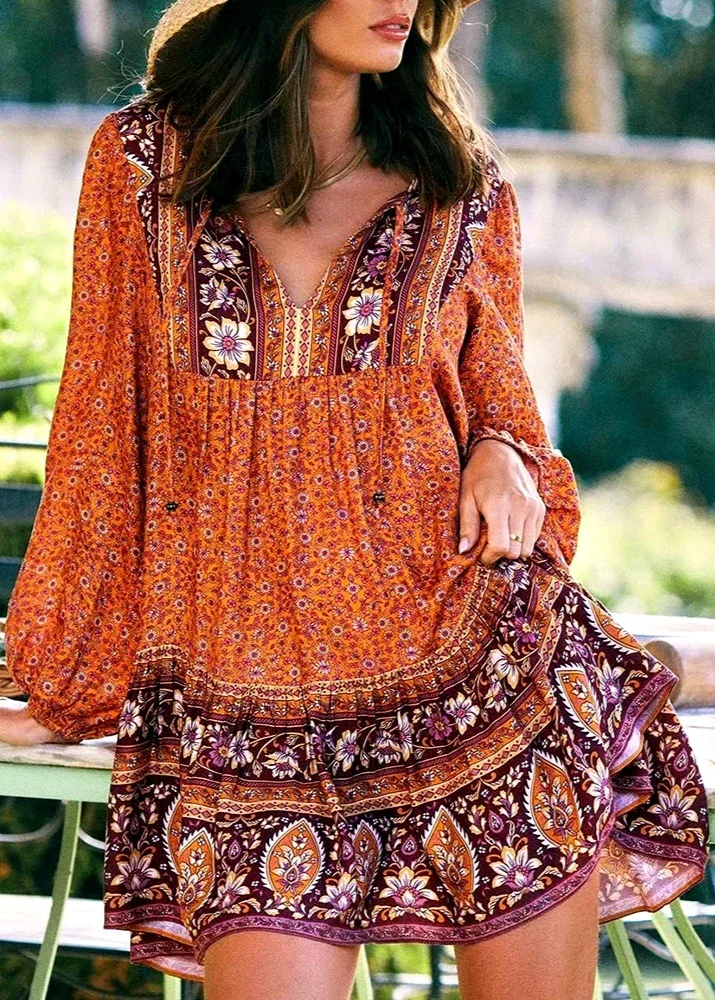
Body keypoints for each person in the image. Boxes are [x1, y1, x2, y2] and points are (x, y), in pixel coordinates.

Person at [0, 1, 710, 998]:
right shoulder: (142, 165)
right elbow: (100, 429)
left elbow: (502, 399)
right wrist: (64, 678)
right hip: (242, 712)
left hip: (479, 686)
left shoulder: (458, 186)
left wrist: (500, 450)